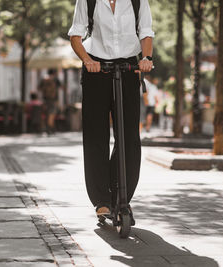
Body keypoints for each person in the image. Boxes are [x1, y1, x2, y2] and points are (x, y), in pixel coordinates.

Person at [68, 0, 154, 219]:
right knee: (96, 135)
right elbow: (76, 35)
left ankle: (121, 197)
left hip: (128, 67)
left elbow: (145, 31)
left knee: (129, 137)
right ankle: (101, 200)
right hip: (96, 67)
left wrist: (146, 58)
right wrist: (87, 60)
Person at [39, 69, 61, 134]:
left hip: (45, 99)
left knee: (47, 114)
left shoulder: (43, 79)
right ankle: (50, 128)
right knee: (52, 114)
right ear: (54, 73)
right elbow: (61, 87)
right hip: (53, 99)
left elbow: (39, 88)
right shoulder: (55, 79)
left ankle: (50, 128)